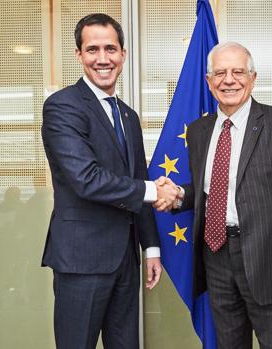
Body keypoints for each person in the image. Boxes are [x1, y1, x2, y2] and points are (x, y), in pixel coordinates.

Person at [155, 41, 272, 348]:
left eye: (237, 72)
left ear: (252, 78)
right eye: (220, 73)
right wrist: (178, 194)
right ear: (208, 81)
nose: (228, 80)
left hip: (268, 262)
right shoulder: (199, 130)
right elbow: (212, 189)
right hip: (216, 257)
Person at [41, 13, 176, 349]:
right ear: (79, 55)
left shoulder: (127, 115)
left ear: (123, 54)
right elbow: (85, 179)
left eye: (110, 49)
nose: (103, 59)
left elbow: (138, 179)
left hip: (125, 262)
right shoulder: (62, 107)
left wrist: (152, 248)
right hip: (81, 261)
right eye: (92, 50)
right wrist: (153, 190)